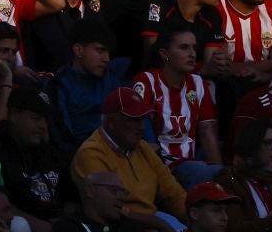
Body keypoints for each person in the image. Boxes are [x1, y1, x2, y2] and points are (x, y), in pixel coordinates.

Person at [69, 85, 187, 230]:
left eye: (142, 119)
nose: (141, 127)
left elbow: (174, 194)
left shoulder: (143, 149)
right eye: (134, 120)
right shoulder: (91, 153)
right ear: (111, 122)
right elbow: (108, 209)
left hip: (154, 220)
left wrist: (196, 218)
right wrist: (157, 223)